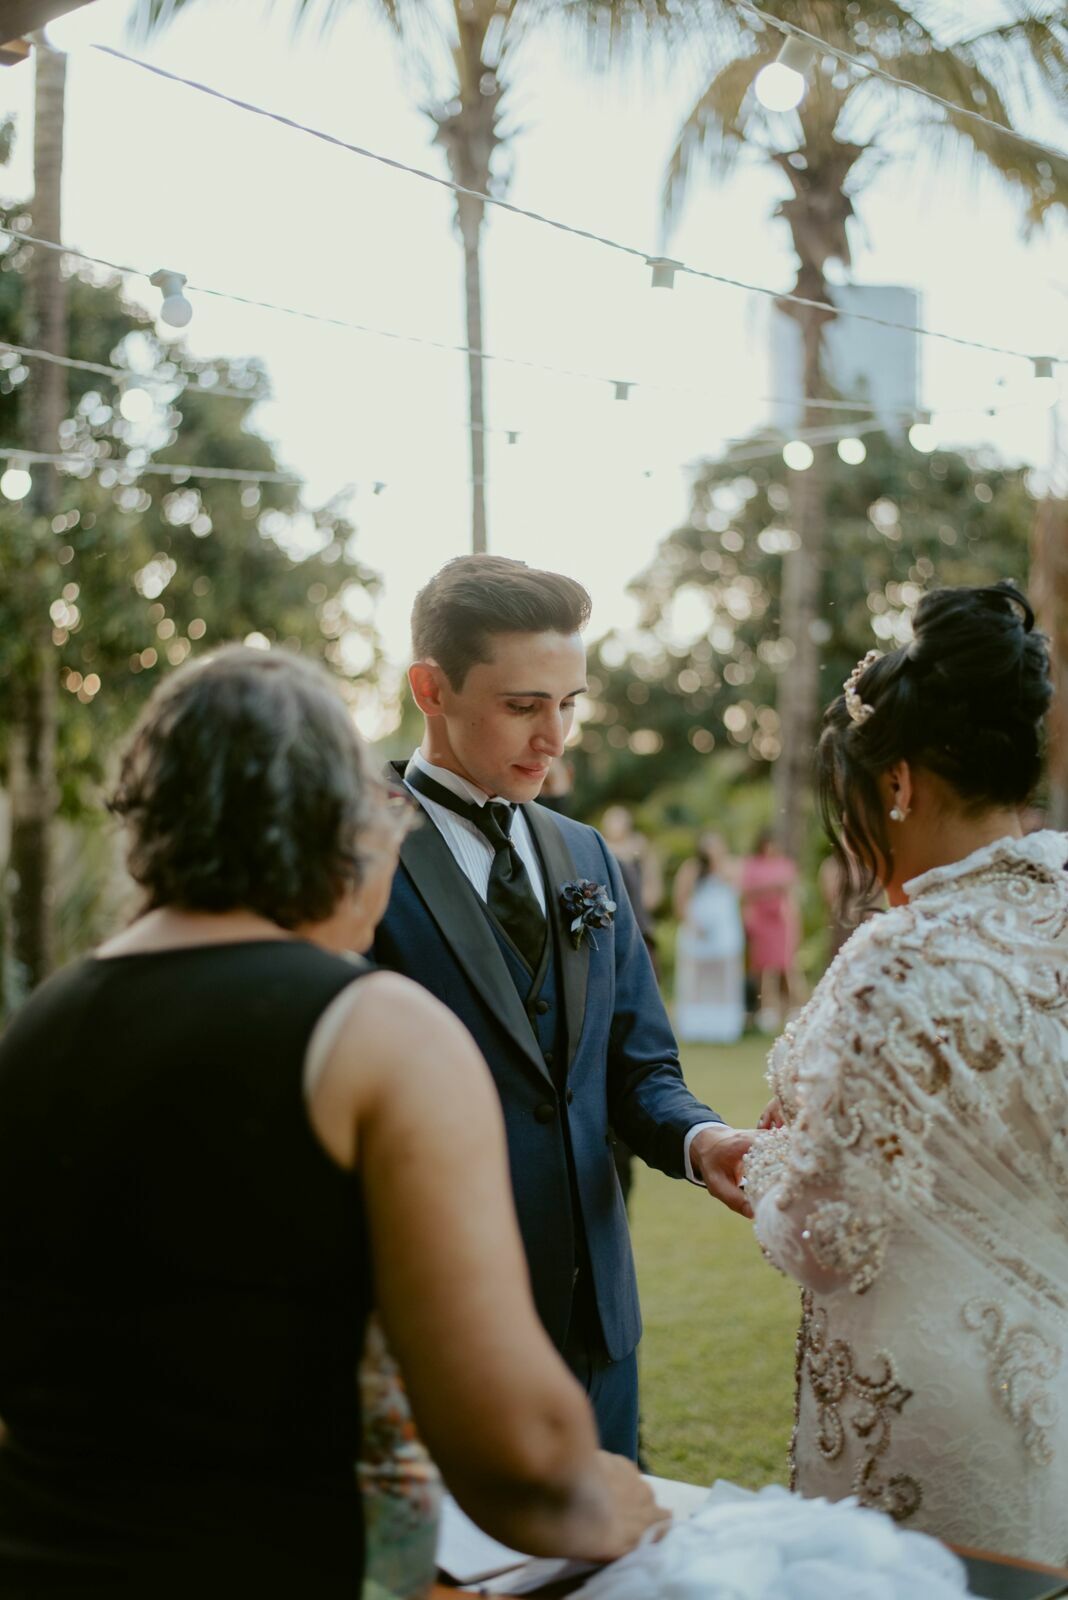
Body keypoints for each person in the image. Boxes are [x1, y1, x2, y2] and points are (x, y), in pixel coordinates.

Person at [0, 647, 667, 1598]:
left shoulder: (38, 1028)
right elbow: (517, 1457)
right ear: (334, 825)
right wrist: (612, 1500)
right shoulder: (375, 1030)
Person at [372, 555, 754, 1461]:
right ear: (430, 688)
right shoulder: (351, 852)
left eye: (570, 702)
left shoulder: (588, 856)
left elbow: (638, 1069)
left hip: (596, 1334)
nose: (556, 736)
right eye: (523, 706)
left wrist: (703, 1142)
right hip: (432, 1330)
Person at [743, 582, 1068, 1562]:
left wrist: (755, 1160)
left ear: (898, 783)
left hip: (932, 1432)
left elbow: (828, 1236)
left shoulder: (903, 957)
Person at [672, 833, 745, 1044]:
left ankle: (724, 1026)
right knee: (696, 979)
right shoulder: (691, 868)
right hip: (697, 931)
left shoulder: (731, 866)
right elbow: (681, 899)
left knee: (724, 980)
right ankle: (696, 1026)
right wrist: (693, 923)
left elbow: (737, 889)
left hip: (725, 932)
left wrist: (718, 865)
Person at [739, 829, 804, 1031]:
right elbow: (746, 892)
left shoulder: (784, 864)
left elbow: (791, 893)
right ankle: (767, 1010)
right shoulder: (753, 865)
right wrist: (772, 888)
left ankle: (795, 1007)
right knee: (765, 968)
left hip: (781, 922)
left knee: (787, 966)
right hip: (761, 922)